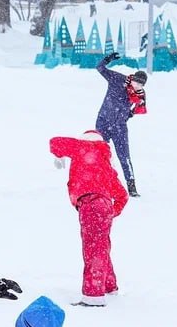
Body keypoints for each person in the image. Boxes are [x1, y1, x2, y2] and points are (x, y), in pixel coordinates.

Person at [50, 130, 129, 306]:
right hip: (103, 206)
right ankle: (109, 286)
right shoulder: (106, 166)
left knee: (93, 249)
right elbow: (123, 196)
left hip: (90, 204)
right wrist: (110, 212)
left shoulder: (83, 147)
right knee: (101, 245)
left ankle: (93, 296)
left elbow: (55, 141)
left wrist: (60, 154)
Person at [94, 51, 146, 198]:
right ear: (133, 78)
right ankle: (99, 182)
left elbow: (140, 108)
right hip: (103, 121)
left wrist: (128, 115)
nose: (138, 85)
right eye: (137, 81)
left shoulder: (140, 93)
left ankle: (132, 187)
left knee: (124, 157)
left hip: (120, 127)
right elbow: (99, 68)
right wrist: (107, 59)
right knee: (100, 153)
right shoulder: (117, 79)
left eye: (141, 84)